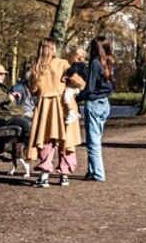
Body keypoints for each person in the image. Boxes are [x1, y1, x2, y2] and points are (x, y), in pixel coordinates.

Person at [26, 38, 84, 187]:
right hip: (64, 104)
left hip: (46, 107)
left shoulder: (36, 68)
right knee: (67, 139)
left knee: (46, 140)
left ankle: (44, 176)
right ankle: (64, 175)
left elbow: (32, 89)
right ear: (53, 49)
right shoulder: (62, 63)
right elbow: (80, 83)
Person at [79, 36, 115, 181]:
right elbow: (112, 86)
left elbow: (90, 88)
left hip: (93, 103)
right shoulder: (110, 62)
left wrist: (76, 97)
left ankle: (98, 173)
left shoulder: (95, 63)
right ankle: (92, 171)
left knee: (93, 141)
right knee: (96, 138)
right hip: (105, 103)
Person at [0, 63, 31, 142]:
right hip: (3, 117)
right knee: (27, 124)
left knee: (33, 120)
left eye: (4, 74)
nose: (3, 76)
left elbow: (5, 98)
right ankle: (28, 150)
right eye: (1, 74)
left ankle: (21, 148)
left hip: (11, 114)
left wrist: (12, 95)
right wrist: (8, 97)